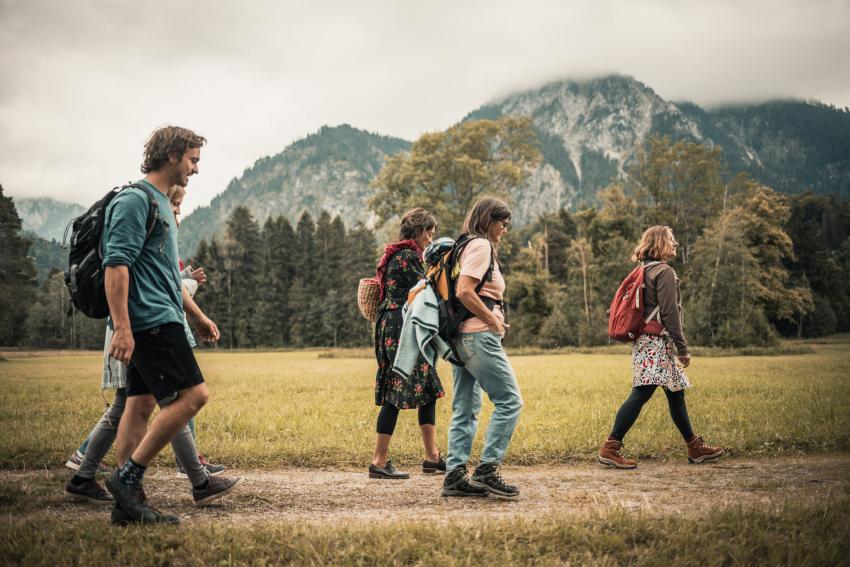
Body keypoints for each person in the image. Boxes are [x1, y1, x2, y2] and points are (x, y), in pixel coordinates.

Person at [101, 126, 240, 525]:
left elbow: (165, 275)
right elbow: (116, 266)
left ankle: (127, 505)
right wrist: (123, 327)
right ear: (174, 154)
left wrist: (196, 316)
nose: (196, 169)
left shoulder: (162, 202)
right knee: (194, 396)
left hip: (163, 315)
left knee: (140, 403)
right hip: (151, 321)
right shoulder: (135, 200)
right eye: (193, 159)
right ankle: (128, 479)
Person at [597, 225, 724, 468]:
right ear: (660, 243)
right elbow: (670, 312)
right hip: (655, 342)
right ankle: (610, 447)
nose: (676, 243)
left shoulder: (643, 270)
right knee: (642, 392)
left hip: (648, 341)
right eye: (672, 239)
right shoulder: (663, 271)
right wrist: (683, 348)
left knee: (675, 391)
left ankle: (694, 447)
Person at [442, 196, 522, 499]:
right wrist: (493, 321)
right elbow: (464, 290)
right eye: (502, 223)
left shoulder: (463, 245)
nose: (504, 229)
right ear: (489, 220)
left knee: (465, 408)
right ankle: (487, 470)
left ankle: (455, 475)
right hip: (477, 336)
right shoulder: (481, 245)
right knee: (510, 401)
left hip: (461, 339)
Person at [369, 208, 445, 479]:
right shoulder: (408, 256)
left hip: (391, 324)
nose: (430, 237)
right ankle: (379, 461)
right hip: (403, 328)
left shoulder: (396, 254)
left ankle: (432, 456)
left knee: (427, 388)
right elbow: (425, 291)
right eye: (428, 232)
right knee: (396, 389)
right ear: (417, 231)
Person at [167, 184, 225, 478]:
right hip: (165, 325)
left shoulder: (164, 236)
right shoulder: (160, 234)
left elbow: (172, 282)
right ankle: (189, 467)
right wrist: (200, 316)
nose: (178, 213)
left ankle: (189, 465)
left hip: (167, 324)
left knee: (136, 404)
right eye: (176, 206)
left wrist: (187, 278)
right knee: (185, 396)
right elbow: (170, 288)